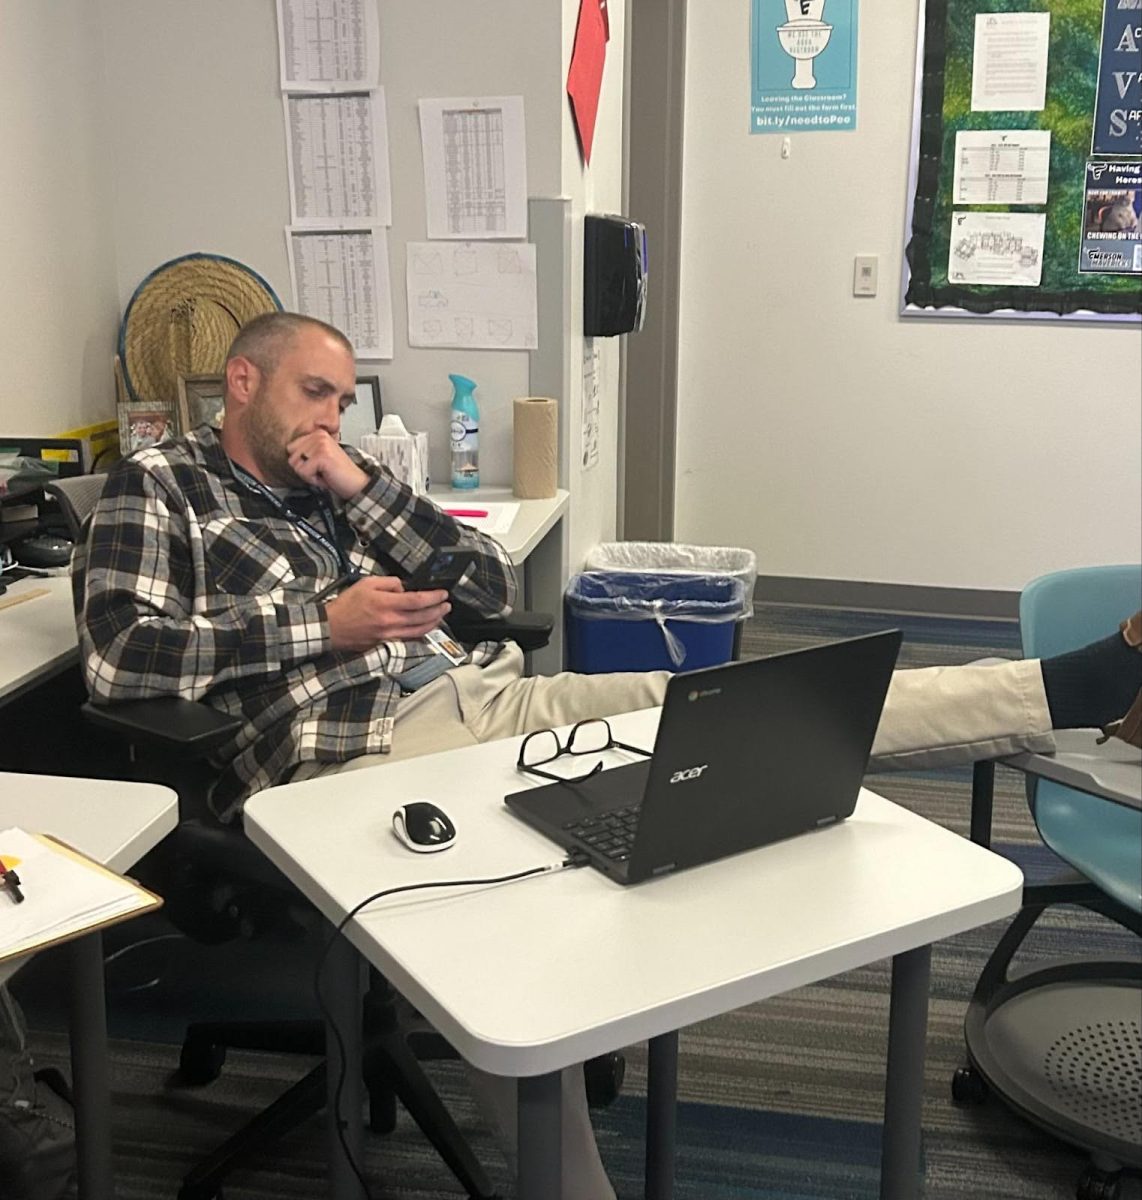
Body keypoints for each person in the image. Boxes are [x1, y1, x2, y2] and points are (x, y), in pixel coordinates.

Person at [73, 312, 1141, 1199]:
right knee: (496, 948)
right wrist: (327, 626)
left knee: (736, 706)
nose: (329, 419)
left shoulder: (333, 490)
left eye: (343, 401)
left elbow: (485, 583)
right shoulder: (156, 490)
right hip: (349, 755)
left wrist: (360, 487)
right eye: (314, 393)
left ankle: (1072, 692)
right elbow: (123, 658)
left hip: (477, 699)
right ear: (243, 379)